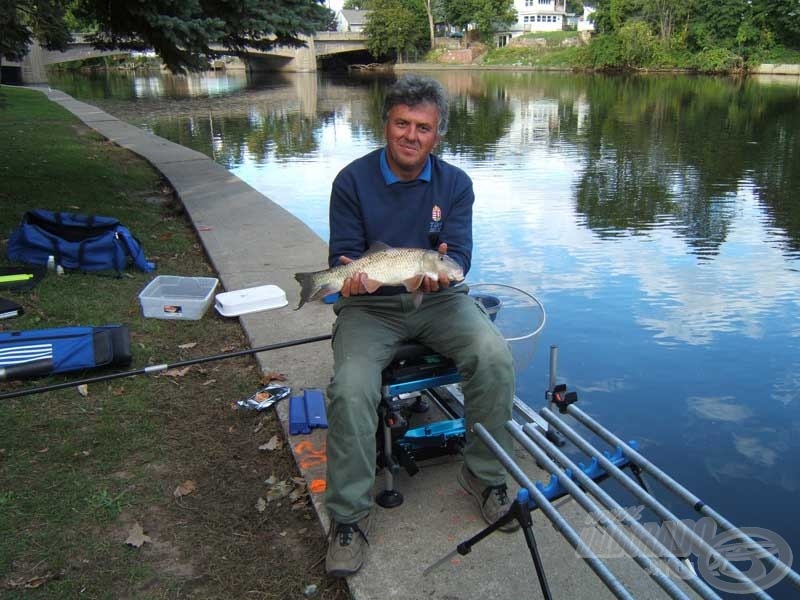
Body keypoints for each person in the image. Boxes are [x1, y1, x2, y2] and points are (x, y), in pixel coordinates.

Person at [324, 74, 517, 578]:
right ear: (385, 125)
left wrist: (443, 274)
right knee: (350, 387)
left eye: (423, 128)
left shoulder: (455, 184)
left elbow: (462, 258)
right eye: (401, 124)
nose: (411, 136)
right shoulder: (351, 181)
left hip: (438, 299)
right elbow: (341, 258)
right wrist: (349, 282)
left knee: (493, 357)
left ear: (437, 135)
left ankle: (484, 476)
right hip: (372, 307)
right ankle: (347, 517)